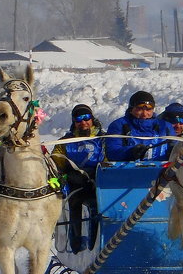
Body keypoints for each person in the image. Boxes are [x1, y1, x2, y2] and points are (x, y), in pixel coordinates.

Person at [51, 104, 106, 252]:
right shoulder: (65, 142)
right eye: (79, 119)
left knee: (97, 205)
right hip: (76, 185)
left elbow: (109, 160)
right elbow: (55, 163)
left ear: (92, 120)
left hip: (99, 183)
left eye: (86, 118)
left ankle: (97, 244)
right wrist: (67, 175)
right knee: (75, 202)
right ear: (74, 122)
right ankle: (76, 243)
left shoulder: (103, 139)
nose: (83, 122)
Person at [105, 90, 175, 162]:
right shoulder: (119, 125)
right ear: (131, 109)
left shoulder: (165, 126)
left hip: (161, 170)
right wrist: (131, 152)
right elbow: (112, 152)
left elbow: (175, 149)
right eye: (139, 109)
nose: (144, 114)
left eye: (148, 109)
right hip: (127, 170)